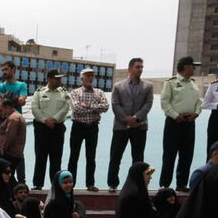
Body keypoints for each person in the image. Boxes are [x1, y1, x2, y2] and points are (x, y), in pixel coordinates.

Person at [108, 58, 154, 191]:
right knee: (115, 156)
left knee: (138, 158)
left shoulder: (148, 86)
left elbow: (148, 104)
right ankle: (112, 183)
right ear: (129, 68)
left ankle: (137, 185)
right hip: (120, 127)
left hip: (140, 127)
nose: (140, 69)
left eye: (141, 67)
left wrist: (136, 118)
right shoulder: (118, 86)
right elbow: (115, 104)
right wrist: (126, 119)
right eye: (137, 67)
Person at [160, 56, 203, 191]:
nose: (194, 68)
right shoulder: (171, 83)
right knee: (169, 155)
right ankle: (165, 185)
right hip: (174, 123)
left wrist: (196, 113)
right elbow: (165, 102)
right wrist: (175, 115)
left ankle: (182, 184)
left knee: (186, 155)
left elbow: (199, 102)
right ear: (186, 67)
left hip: (189, 122)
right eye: (193, 66)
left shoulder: (193, 83)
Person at [69, 67, 110, 191]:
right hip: (78, 126)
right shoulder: (75, 92)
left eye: (92, 75)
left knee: (91, 156)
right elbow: (76, 109)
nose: (90, 78)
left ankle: (90, 183)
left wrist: (87, 106)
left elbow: (105, 107)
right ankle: (70, 184)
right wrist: (95, 108)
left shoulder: (99, 92)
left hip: (92, 127)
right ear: (81, 78)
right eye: (88, 75)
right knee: (74, 156)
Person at [32, 69, 71, 190]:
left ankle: (55, 186)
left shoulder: (64, 92)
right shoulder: (39, 92)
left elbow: (66, 107)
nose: (59, 80)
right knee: (40, 157)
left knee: (56, 158)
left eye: (60, 78)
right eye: (56, 78)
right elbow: (34, 108)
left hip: (57, 128)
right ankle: (38, 184)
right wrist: (45, 120)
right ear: (49, 79)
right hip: (41, 128)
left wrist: (54, 119)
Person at [0, 61, 28, 182]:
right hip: (0, 121)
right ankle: (5, 179)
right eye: (2, 70)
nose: (4, 72)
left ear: (14, 69)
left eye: (6, 69)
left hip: (15, 122)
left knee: (18, 151)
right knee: (2, 149)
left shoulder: (21, 85)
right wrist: (13, 98)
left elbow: (22, 101)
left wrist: (4, 97)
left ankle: (21, 181)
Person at [0, 99, 26, 178]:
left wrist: (3, 149)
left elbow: (10, 136)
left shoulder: (13, 119)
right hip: (12, 153)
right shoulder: (15, 117)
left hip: (10, 154)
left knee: (7, 177)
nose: (0, 113)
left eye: (1, 110)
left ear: (7, 107)